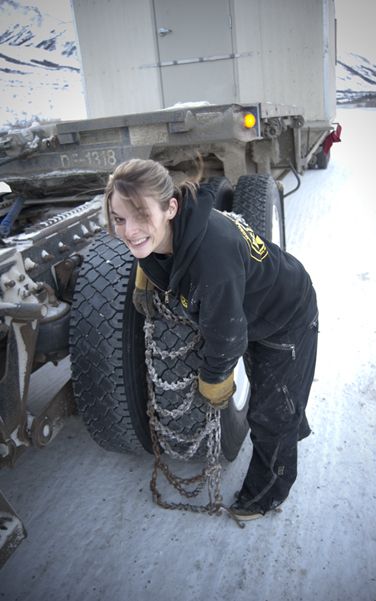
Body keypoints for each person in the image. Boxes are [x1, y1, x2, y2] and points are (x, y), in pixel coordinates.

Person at [104, 158, 319, 521]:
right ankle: (289, 415)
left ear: (170, 207)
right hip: (252, 308)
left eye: (141, 216)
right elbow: (159, 254)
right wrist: (146, 272)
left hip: (286, 317)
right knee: (278, 394)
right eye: (120, 219)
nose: (129, 231)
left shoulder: (211, 259)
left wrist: (215, 380)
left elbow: (227, 338)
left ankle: (266, 494)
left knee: (268, 413)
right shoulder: (175, 230)